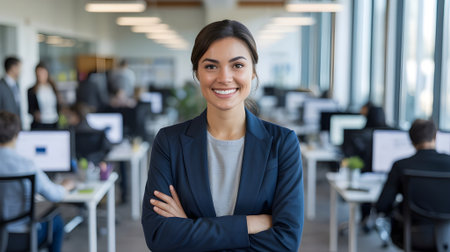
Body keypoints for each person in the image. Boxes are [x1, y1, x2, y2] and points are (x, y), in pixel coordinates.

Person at [141, 20, 304, 251]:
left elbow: (285, 243)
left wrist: (190, 227)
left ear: (253, 72)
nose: (225, 78)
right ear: (197, 72)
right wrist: (250, 224)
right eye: (211, 66)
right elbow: (159, 236)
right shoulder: (169, 142)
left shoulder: (282, 144)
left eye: (237, 65)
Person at [0, 110, 75, 252]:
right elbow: (55, 196)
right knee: (56, 221)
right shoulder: (26, 165)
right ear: (17, 135)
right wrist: (65, 186)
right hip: (20, 237)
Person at [376, 119, 450, 250]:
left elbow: (382, 206)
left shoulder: (401, 166)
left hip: (413, 235)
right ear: (435, 136)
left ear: (411, 140)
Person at [27, 62, 61, 129]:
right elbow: (30, 109)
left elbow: (58, 105)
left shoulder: (53, 88)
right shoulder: (32, 90)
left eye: (42, 73)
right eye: (38, 74)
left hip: (54, 122)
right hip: (40, 124)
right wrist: (35, 113)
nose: (40, 75)